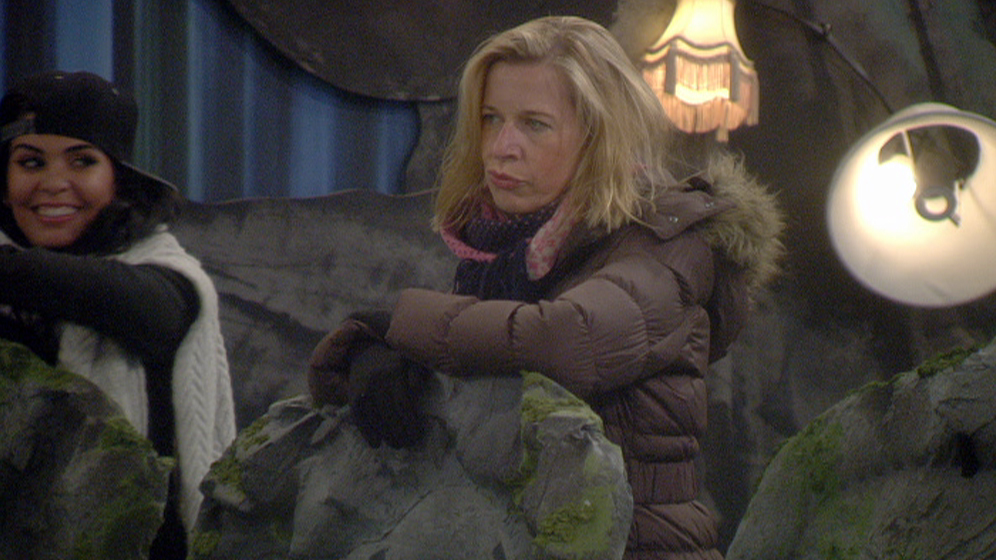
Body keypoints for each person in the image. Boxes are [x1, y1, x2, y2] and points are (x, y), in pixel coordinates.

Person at [309, 15, 784, 560]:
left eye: (535, 124)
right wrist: (371, 353)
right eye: (490, 119)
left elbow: (566, 341)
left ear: (600, 135)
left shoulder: (664, 244)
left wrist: (397, 322)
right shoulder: (501, 256)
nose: (501, 147)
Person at [0, 70, 236, 558]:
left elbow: (122, 302)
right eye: (30, 162)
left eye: (82, 161)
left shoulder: (168, 284)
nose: (53, 184)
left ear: (118, 180)